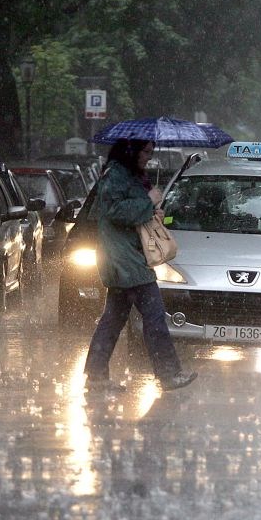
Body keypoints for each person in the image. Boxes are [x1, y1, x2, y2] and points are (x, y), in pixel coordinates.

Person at [83, 138, 197, 393]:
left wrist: (153, 210)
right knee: (154, 317)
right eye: (146, 151)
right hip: (125, 260)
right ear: (131, 150)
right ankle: (169, 373)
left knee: (113, 319)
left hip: (124, 258)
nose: (149, 156)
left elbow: (131, 214)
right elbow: (116, 212)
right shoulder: (116, 175)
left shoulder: (127, 174)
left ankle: (96, 376)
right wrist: (148, 201)